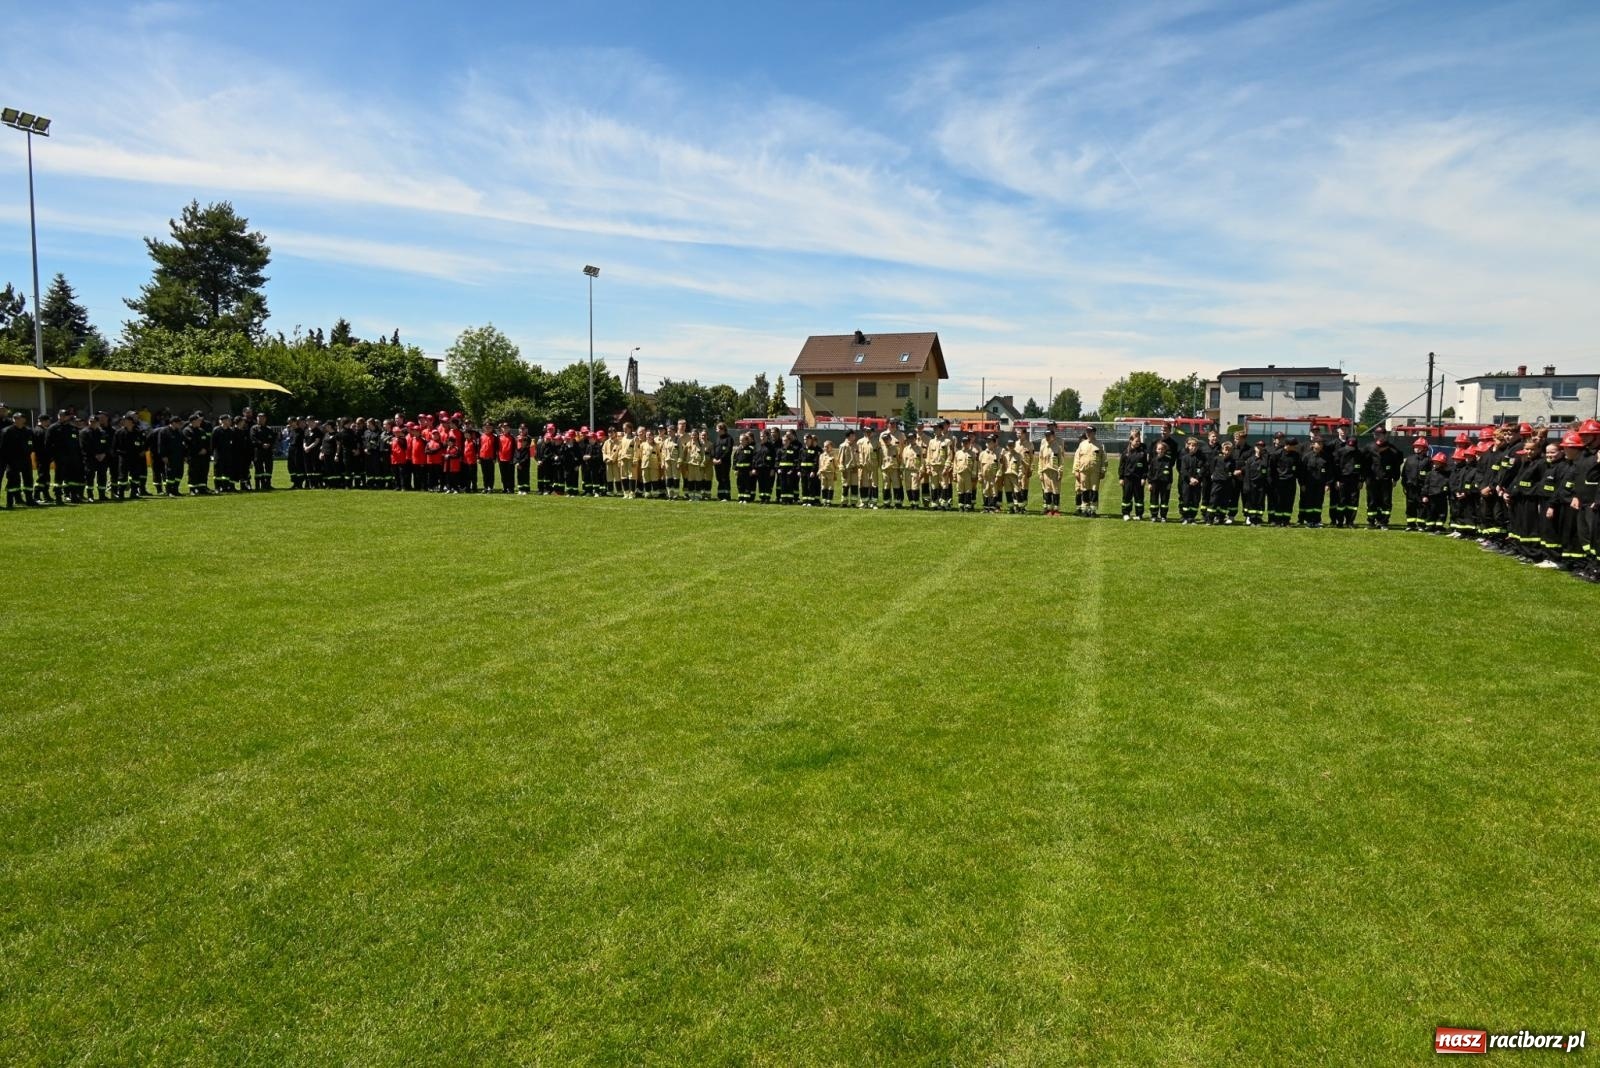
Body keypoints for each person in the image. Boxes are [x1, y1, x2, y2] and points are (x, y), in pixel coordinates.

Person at [1365, 426, 1403, 528]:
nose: (1379, 436)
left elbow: (1396, 464)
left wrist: (1395, 478)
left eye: (1381, 434)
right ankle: (1371, 522)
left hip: (1386, 480)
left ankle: (1383, 522)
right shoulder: (1369, 447)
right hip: (1372, 480)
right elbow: (1364, 463)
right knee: (1372, 501)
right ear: (1374, 435)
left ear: (1385, 435)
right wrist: (1364, 477)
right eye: (1377, 434)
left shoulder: (1392, 449)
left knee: (1385, 502)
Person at [2, 409, 34, 508]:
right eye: (16, 418)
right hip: (12, 460)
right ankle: (10, 502)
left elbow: (31, 444)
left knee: (28, 480)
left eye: (20, 418)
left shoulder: (28, 431)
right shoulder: (7, 431)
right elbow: (3, 447)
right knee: (13, 481)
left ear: (24, 420)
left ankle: (29, 500)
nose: (18, 420)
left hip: (26, 459)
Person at [1400, 436, 1432, 531]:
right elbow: (1404, 474)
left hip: (1422, 488)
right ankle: (1410, 524)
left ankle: (1421, 525)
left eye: (1419, 446)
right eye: (1415, 446)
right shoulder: (1409, 459)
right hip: (1410, 488)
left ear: (1425, 448)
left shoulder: (1429, 461)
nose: (1417, 448)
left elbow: (1431, 476)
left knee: (1422, 506)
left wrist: (1426, 490)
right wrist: (1405, 486)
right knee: (1410, 506)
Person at [1072, 427, 1106, 516]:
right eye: (1087, 432)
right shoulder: (1082, 444)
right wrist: (1076, 470)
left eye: (1090, 432)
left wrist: (1103, 471)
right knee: (1084, 490)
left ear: (1094, 433)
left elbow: (1104, 459)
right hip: (1083, 471)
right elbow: (1077, 458)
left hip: (1095, 471)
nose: (1088, 433)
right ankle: (1085, 509)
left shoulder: (1100, 444)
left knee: (1094, 490)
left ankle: (1093, 510)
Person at [1297, 438, 1329, 527]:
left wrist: (1327, 484)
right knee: (1309, 502)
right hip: (1308, 484)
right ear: (1312, 445)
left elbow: (1329, 472)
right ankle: (1309, 520)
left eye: (1321, 443)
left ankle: (1317, 520)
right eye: (1317, 443)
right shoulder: (1306, 457)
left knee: (1318, 502)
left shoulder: (1326, 457)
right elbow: (1301, 472)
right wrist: (1302, 484)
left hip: (1320, 484)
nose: (1319, 445)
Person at [1207, 440, 1240, 524]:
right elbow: (1211, 468)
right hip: (1217, 483)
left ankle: (1221, 518)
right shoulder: (1217, 458)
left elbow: (1232, 471)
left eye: (1229, 450)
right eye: (1226, 449)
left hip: (1227, 483)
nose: (1227, 451)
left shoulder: (1232, 461)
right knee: (1214, 500)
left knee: (1224, 502)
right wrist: (1213, 475)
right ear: (1222, 450)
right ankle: (1210, 519)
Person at [1268, 436, 1299, 526]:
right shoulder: (1277, 454)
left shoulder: (1296, 455)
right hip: (1279, 482)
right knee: (1279, 501)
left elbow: (1298, 469)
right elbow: (1271, 469)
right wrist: (1272, 482)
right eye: (1294, 445)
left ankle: (1286, 520)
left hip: (1291, 482)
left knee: (1289, 501)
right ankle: (1278, 520)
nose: (1295, 447)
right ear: (1288, 445)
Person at [1037, 423, 1066, 516]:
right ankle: (1048, 509)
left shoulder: (1059, 444)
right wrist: (1040, 472)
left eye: (1049, 435)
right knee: (1046, 490)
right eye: (1046, 435)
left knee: (1056, 490)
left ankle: (1056, 510)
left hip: (1054, 471)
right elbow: (1040, 460)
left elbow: (1061, 460)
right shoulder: (1043, 445)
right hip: (1045, 471)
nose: (1047, 437)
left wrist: (1060, 471)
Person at [1119, 429, 1148, 520]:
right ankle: (1126, 513)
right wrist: (1121, 478)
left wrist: (1144, 477)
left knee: (1139, 498)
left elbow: (1145, 467)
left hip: (1138, 479)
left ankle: (1139, 514)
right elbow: (1121, 466)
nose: (1138, 442)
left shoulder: (1143, 452)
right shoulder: (1126, 451)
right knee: (1127, 496)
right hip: (1128, 478)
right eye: (1136, 441)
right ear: (1131, 440)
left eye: (1139, 441)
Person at [1177, 437, 1206, 524]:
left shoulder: (1201, 458)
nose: (1193, 447)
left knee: (1195, 500)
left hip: (1197, 483)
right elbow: (1183, 470)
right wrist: (1190, 478)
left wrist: (1197, 478)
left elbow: (1203, 468)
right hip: (1186, 482)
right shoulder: (1185, 458)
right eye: (1191, 445)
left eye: (1195, 445)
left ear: (1197, 447)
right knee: (1186, 499)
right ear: (1188, 446)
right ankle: (1185, 517)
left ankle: (1192, 518)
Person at [1240, 440, 1269, 525]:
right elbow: (1247, 475)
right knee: (1252, 502)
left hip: (1262, 485)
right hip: (1252, 485)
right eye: (1258, 446)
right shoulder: (1250, 460)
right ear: (1255, 448)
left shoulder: (1266, 459)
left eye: (1262, 446)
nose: (1260, 448)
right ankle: (1252, 519)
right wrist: (1246, 486)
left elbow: (1267, 472)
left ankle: (1259, 519)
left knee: (1260, 502)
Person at [1148, 439, 1174, 522]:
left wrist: (1170, 482)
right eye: (1159, 449)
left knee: (1164, 500)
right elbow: (1150, 473)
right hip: (1155, 483)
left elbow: (1170, 473)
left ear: (1165, 450)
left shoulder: (1168, 460)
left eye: (1162, 449)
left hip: (1165, 483)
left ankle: (1163, 516)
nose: (1160, 450)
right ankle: (1154, 515)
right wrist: (1150, 483)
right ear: (1156, 450)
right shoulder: (1153, 460)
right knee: (1154, 500)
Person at [1007, 428, 1033, 514]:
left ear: (1024, 434)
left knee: (1024, 488)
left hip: (1025, 470)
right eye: (1017, 433)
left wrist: (1031, 469)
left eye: (1020, 433)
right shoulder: (1015, 444)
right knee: (1016, 488)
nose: (1018, 435)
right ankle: (1016, 505)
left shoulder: (1029, 445)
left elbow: (1032, 459)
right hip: (1015, 470)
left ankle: (1023, 506)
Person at [978, 434, 1003, 513]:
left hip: (993, 477)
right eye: (987, 441)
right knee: (985, 491)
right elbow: (979, 466)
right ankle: (986, 508)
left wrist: (998, 475)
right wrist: (980, 475)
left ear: (994, 443)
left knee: (993, 491)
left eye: (990, 442)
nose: (988, 443)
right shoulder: (982, 454)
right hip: (985, 477)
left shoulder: (996, 454)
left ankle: (992, 508)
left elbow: (999, 466)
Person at [953, 433, 976, 512]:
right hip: (960, 474)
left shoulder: (972, 454)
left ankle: (967, 505)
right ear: (961, 443)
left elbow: (975, 465)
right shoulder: (958, 453)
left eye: (967, 442)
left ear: (969, 443)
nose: (965, 444)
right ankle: (961, 505)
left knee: (968, 490)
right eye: (963, 442)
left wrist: (973, 474)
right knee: (960, 490)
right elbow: (955, 464)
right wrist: (954, 475)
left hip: (968, 474)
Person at [778, 429, 802, 504]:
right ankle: (784, 499)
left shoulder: (798, 445)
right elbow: (777, 460)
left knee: (793, 484)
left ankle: (795, 498)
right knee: (784, 484)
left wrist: (795, 469)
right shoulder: (781, 450)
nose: (788, 437)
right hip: (783, 470)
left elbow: (797, 459)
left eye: (789, 435)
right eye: (786, 436)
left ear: (793, 435)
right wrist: (778, 468)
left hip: (793, 469)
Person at [734, 431, 758, 503]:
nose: (741, 441)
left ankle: (746, 499)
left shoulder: (750, 450)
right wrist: (735, 469)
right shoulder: (738, 450)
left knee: (747, 485)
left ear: (747, 441)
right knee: (740, 485)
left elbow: (753, 460)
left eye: (742, 440)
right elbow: (735, 460)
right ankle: (741, 498)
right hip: (739, 471)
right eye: (740, 440)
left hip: (747, 471)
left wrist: (752, 469)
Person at [712, 422, 733, 502]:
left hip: (724, 463)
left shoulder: (729, 438)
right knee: (719, 478)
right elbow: (714, 449)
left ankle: (727, 496)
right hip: (716, 462)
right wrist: (713, 458)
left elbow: (728, 450)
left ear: (722, 429)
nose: (716, 430)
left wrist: (721, 459)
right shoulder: (717, 439)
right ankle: (720, 495)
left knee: (725, 478)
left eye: (717, 429)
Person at [802, 433, 823, 506]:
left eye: (814, 440)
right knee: (805, 485)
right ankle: (805, 500)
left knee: (814, 486)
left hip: (814, 471)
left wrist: (814, 471)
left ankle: (814, 500)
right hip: (804, 471)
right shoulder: (803, 449)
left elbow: (816, 461)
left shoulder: (818, 449)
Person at [815, 439, 837, 506]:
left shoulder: (833, 455)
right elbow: (820, 464)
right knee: (823, 487)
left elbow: (835, 465)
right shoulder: (821, 455)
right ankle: (824, 500)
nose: (826, 448)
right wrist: (819, 471)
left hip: (830, 473)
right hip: (823, 474)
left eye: (827, 446)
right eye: (824, 446)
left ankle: (829, 501)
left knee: (830, 487)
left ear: (831, 447)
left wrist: (835, 473)